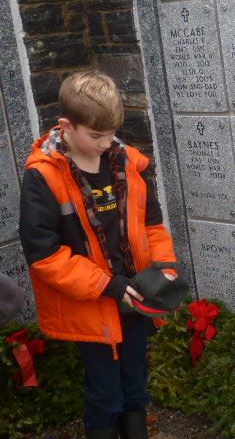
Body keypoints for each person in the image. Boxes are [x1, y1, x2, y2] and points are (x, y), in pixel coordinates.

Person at [19, 71, 177, 439]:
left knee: (136, 375)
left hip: (135, 295)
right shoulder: (43, 176)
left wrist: (164, 266)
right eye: (95, 136)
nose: (107, 143)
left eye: (111, 133)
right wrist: (108, 285)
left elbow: (151, 224)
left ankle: (136, 426)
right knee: (105, 389)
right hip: (91, 301)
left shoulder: (126, 163)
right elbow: (44, 254)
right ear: (66, 126)